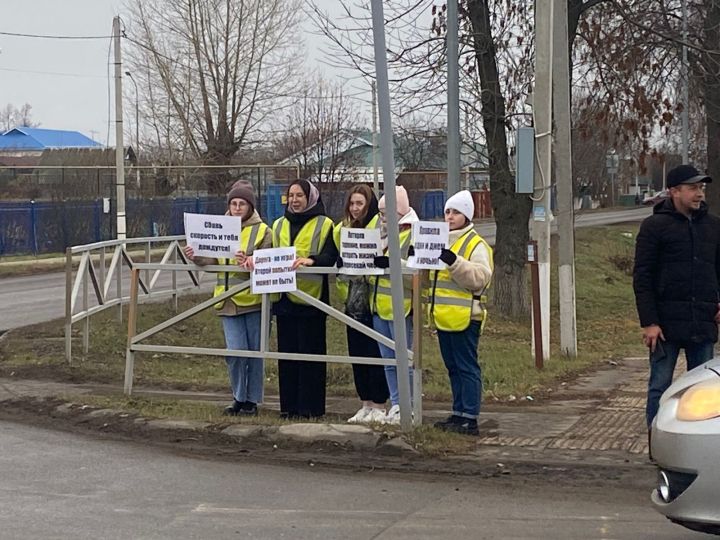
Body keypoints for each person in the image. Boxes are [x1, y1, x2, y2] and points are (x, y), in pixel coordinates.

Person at [633, 164, 720, 436]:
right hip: (665, 326)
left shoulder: (713, 226)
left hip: (702, 322)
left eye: (701, 188)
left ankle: (696, 441)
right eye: (692, 188)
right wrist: (649, 322)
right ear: (674, 192)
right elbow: (643, 277)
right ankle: (656, 440)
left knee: (703, 389)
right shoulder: (654, 227)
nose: (699, 194)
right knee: (660, 385)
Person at [183, 180, 271, 416]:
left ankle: (251, 400)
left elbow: (269, 262)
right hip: (227, 300)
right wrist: (196, 256)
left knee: (254, 353)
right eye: (233, 203)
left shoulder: (264, 231)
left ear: (251, 207)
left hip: (253, 300)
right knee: (234, 352)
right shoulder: (220, 228)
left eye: (242, 203)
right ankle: (238, 396)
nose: (237, 207)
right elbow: (211, 260)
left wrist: (250, 261)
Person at [428, 190, 493, 436]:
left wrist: (454, 262)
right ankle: (458, 414)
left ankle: (470, 417)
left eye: (456, 212)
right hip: (444, 317)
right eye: (447, 212)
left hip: (467, 317)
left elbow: (480, 278)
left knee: (467, 367)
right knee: (453, 368)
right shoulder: (441, 240)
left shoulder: (476, 244)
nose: (450, 217)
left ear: (466, 215)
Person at [270, 179, 336, 419]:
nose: (295, 200)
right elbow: (268, 253)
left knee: (311, 356)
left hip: (312, 301)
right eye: (291, 195)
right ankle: (288, 407)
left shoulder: (326, 224)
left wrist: (313, 260)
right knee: (287, 357)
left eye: (300, 195)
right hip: (284, 298)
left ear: (311, 198)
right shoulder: (277, 224)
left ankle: (311, 408)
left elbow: (331, 255)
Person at [334, 185, 389, 424]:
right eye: (352, 204)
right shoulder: (342, 228)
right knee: (357, 353)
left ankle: (379, 403)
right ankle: (365, 402)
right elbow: (332, 253)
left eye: (360, 204)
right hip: (351, 301)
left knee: (374, 352)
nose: (355, 208)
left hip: (373, 299)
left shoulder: (379, 227)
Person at [370, 185, 419, 424]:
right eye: (380, 213)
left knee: (404, 360)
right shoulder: (380, 234)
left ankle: (407, 405)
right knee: (388, 361)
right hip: (379, 305)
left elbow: (417, 274)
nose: (381, 218)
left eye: (385, 213)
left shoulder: (413, 233)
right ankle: (397, 402)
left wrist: (390, 264)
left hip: (403, 307)